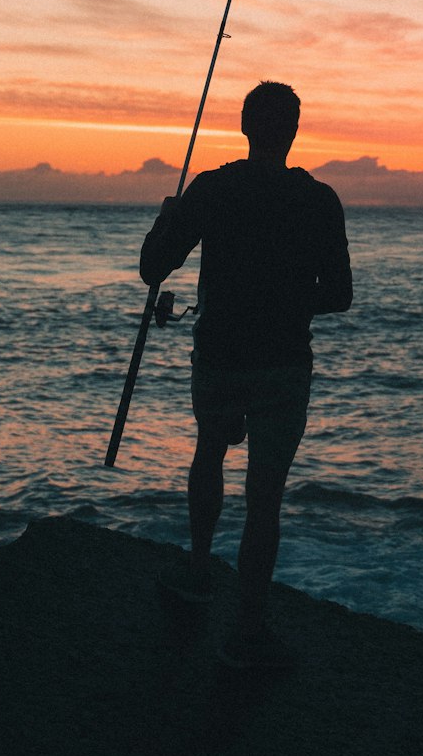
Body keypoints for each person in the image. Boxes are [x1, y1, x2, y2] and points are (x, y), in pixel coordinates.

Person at [140, 80, 352, 669]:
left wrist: (167, 219)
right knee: (266, 498)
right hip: (284, 363)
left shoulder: (212, 189)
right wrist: (287, 300)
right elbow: (340, 296)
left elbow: (152, 267)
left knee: (210, 451)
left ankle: (198, 569)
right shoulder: (319, 200)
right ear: (293, 131)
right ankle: (248, 628)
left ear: (244, 126)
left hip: (220, 357)